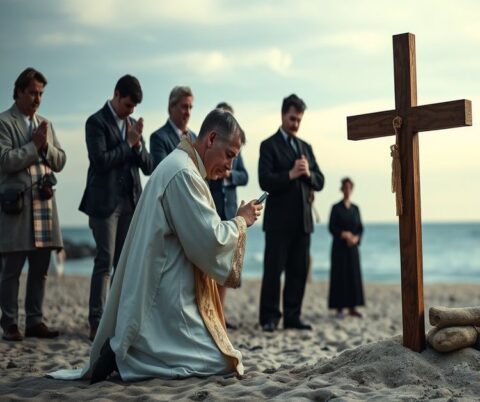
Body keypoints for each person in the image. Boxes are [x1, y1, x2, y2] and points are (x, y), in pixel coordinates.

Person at [49, 109, 262, 382]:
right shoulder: (184, 174)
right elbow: (209, 240)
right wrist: (241, 222)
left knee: (222, 355)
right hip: (163, 296)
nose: (230, 167)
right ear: (211, 139)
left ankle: (124, 349)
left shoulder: (181, 164)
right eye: (229, 155)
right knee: (222, 362)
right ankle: (129, 354)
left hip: (165, 282)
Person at [79, 75, 153, 341]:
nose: (131, 111)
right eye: (128, 105)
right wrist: (128, 143)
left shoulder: (132, 125)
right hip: (104, 204)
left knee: (124, 265)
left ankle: (119, 320)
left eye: (134, 107)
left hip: (130, 203)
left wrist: (137, 144)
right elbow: (99, 162)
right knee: (104, 261)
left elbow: (147, 166)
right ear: (117, 95)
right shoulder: (95, 122)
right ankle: (96, 322)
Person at [0, 67, 66, 341]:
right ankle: (10, 324)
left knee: (40, 269)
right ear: (18, 92)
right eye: (32, 92)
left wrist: (45, 147)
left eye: (41, 93)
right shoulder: (4, 122)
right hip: (16, 208)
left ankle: (35, 321)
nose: (37, 98)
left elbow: (60, 161)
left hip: (43, 208)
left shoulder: (45, 124)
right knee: (12, 270)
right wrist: (33, 146)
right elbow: (4, 161)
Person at [258, 94, 324, 332]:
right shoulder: (268, 145)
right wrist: (290, 175)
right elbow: (264, 180)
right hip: (278, 222)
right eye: (292, 118)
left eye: (299, 120)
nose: (295, 124)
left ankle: (293, 317)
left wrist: (308, 174)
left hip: (303, 222)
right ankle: (269, 318)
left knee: (298, 272)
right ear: (283, 115)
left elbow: (321, 181)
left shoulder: (306, 147)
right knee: (273, 272)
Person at [209, 101, 249, 330]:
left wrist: (230, 174)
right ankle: (211, 314)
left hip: (231, 208)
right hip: (213, 206)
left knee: (226, 266)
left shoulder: (237, 147)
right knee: (212, 262)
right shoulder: (212, 147)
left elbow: (244, 176)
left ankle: (220, 314)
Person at [328, 177, 364, 318]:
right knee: (339, 276)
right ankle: (339, 308)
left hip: (352, 248)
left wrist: (355, 238)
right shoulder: (336, 208)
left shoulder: (355, 209)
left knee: (353, 276)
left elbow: (360, 228)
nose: (347, 190)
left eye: (350, 187)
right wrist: (343, 234)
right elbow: (331, 227)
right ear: (342, 189)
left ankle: (352, 307)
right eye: (345, 187)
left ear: (352, 189)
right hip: (339, 247)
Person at [149, 86, 197, 168]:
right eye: (184, 107)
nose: (188, 112)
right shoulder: (158, 138)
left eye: (190, 107)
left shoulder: (194, 137)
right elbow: (163, 171)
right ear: (171, 107)